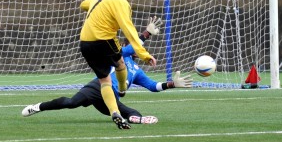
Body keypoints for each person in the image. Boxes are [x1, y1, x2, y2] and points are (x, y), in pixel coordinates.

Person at [22, 20, 192, 125]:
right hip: (98, 87)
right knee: (71, 102)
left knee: (132, 112)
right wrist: (146, 34)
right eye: (138, 47)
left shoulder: (137, 71)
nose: (141, 49)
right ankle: (38, 107)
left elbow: (153, 86)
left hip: (111, 100)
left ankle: (136, 119)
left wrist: (172, 84)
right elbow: (133, 47)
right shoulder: (121, 55)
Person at [78, 0, 157, 129]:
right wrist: (144, 55)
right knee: (120, 63)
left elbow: (83, 4)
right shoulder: (121, 2)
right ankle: (122, 89)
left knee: (104, 80)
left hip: (85, 42)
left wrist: (98, 6)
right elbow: (129, 30)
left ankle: (115, 112)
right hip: (104, 40)